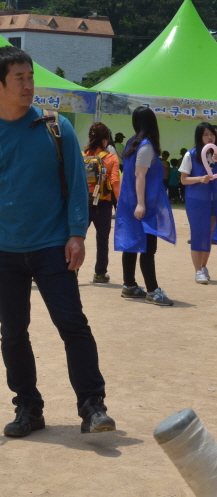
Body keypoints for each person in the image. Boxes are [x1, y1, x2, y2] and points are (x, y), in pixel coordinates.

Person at [0, 46, 116, 437]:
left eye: (31, 77)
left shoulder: (55, 127)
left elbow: (79, 189)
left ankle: (92, 406)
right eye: (20, 78)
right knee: (12, 331)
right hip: (4, 250)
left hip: (52, 244)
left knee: (72, 324)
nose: (29, 84)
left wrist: (77, 234)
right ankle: (28, 408)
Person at [114, 106, 177, 306]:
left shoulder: (133, 143)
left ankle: (129, 285)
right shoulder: (146, 146)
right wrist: (141, 204)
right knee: (148, 248)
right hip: (143, 205)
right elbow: (139, 175)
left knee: (131, 243)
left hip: (130, 203)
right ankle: (152, 290)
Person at [180, 122, 217, 284]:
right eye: (206, 134)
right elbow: (183, 179)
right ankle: (197, 270)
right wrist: (199, 179)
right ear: (200, 137)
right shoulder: (190, 155)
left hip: (216, 200)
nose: (210, 137)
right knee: (198, 234)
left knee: (208, 235)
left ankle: (203, 267)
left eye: (212, 134)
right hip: (197, 201)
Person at [83, 122, 121, 284]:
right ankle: (100, 273)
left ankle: (73, 269)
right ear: (106, 139)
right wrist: (119, 203)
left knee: (78, 237)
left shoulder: (82, 155)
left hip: (83, 202)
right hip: (103, 203)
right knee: (102, 239)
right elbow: (115, 182)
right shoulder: (111, 158)